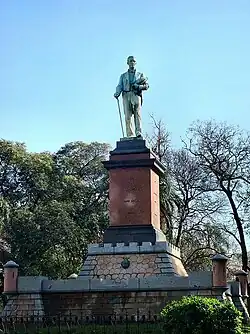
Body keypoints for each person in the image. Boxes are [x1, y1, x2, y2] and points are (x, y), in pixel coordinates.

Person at [114, 56, 149, 138]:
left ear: (135, 63)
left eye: (133, 61)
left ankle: (138, 132)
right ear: (127, 63)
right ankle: (130, 134)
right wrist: (117, 93)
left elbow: (147, 86)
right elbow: (119, 85)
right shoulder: (123, 76)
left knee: (137, 114)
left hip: (136, 95)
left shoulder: (140, 75)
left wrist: (138, 87)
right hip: (126, 95)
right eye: (130, 61)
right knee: (127, 115)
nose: (132, 62)